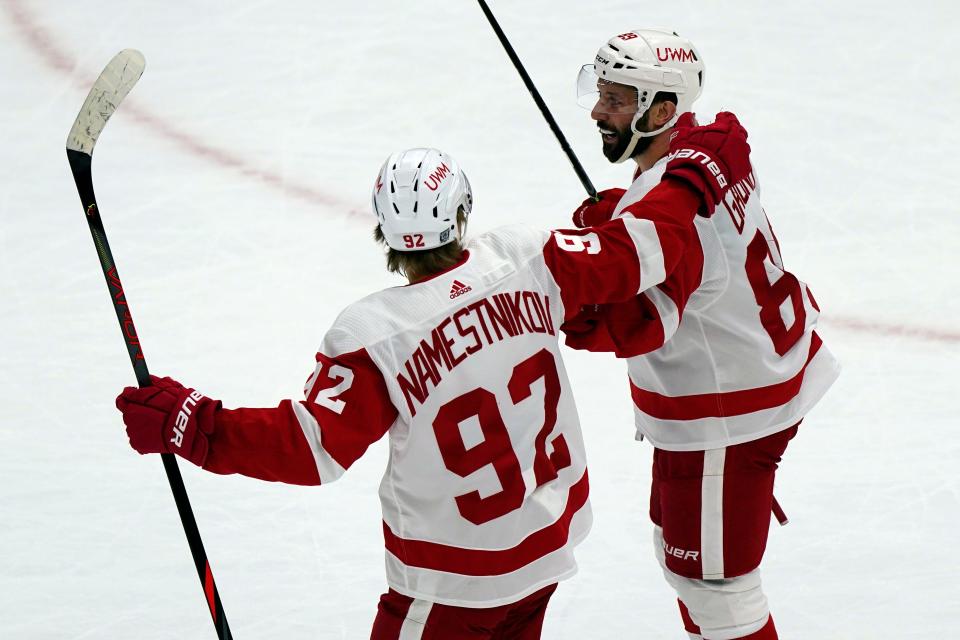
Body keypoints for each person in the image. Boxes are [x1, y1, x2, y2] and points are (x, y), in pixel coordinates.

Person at [115, 118, 752, 639]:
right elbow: (635, 255)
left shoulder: (375, 334)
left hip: (451, 584)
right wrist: (685, 183)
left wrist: (194, 425)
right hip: (545, 549)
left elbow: (310, 448)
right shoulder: (532, 256)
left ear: (383, 232)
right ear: (463, 211)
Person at [567, 29, 841, 640]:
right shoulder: (698, 153)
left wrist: (571, 297)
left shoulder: (671, 210)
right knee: (679, 550)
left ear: (661, 111)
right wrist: (619, 217)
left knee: (716, 590)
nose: (596, 111)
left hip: (729, 413)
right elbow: (686, 199)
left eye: (614, 99)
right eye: (600, 92)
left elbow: (641, 323)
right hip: (758, 378)